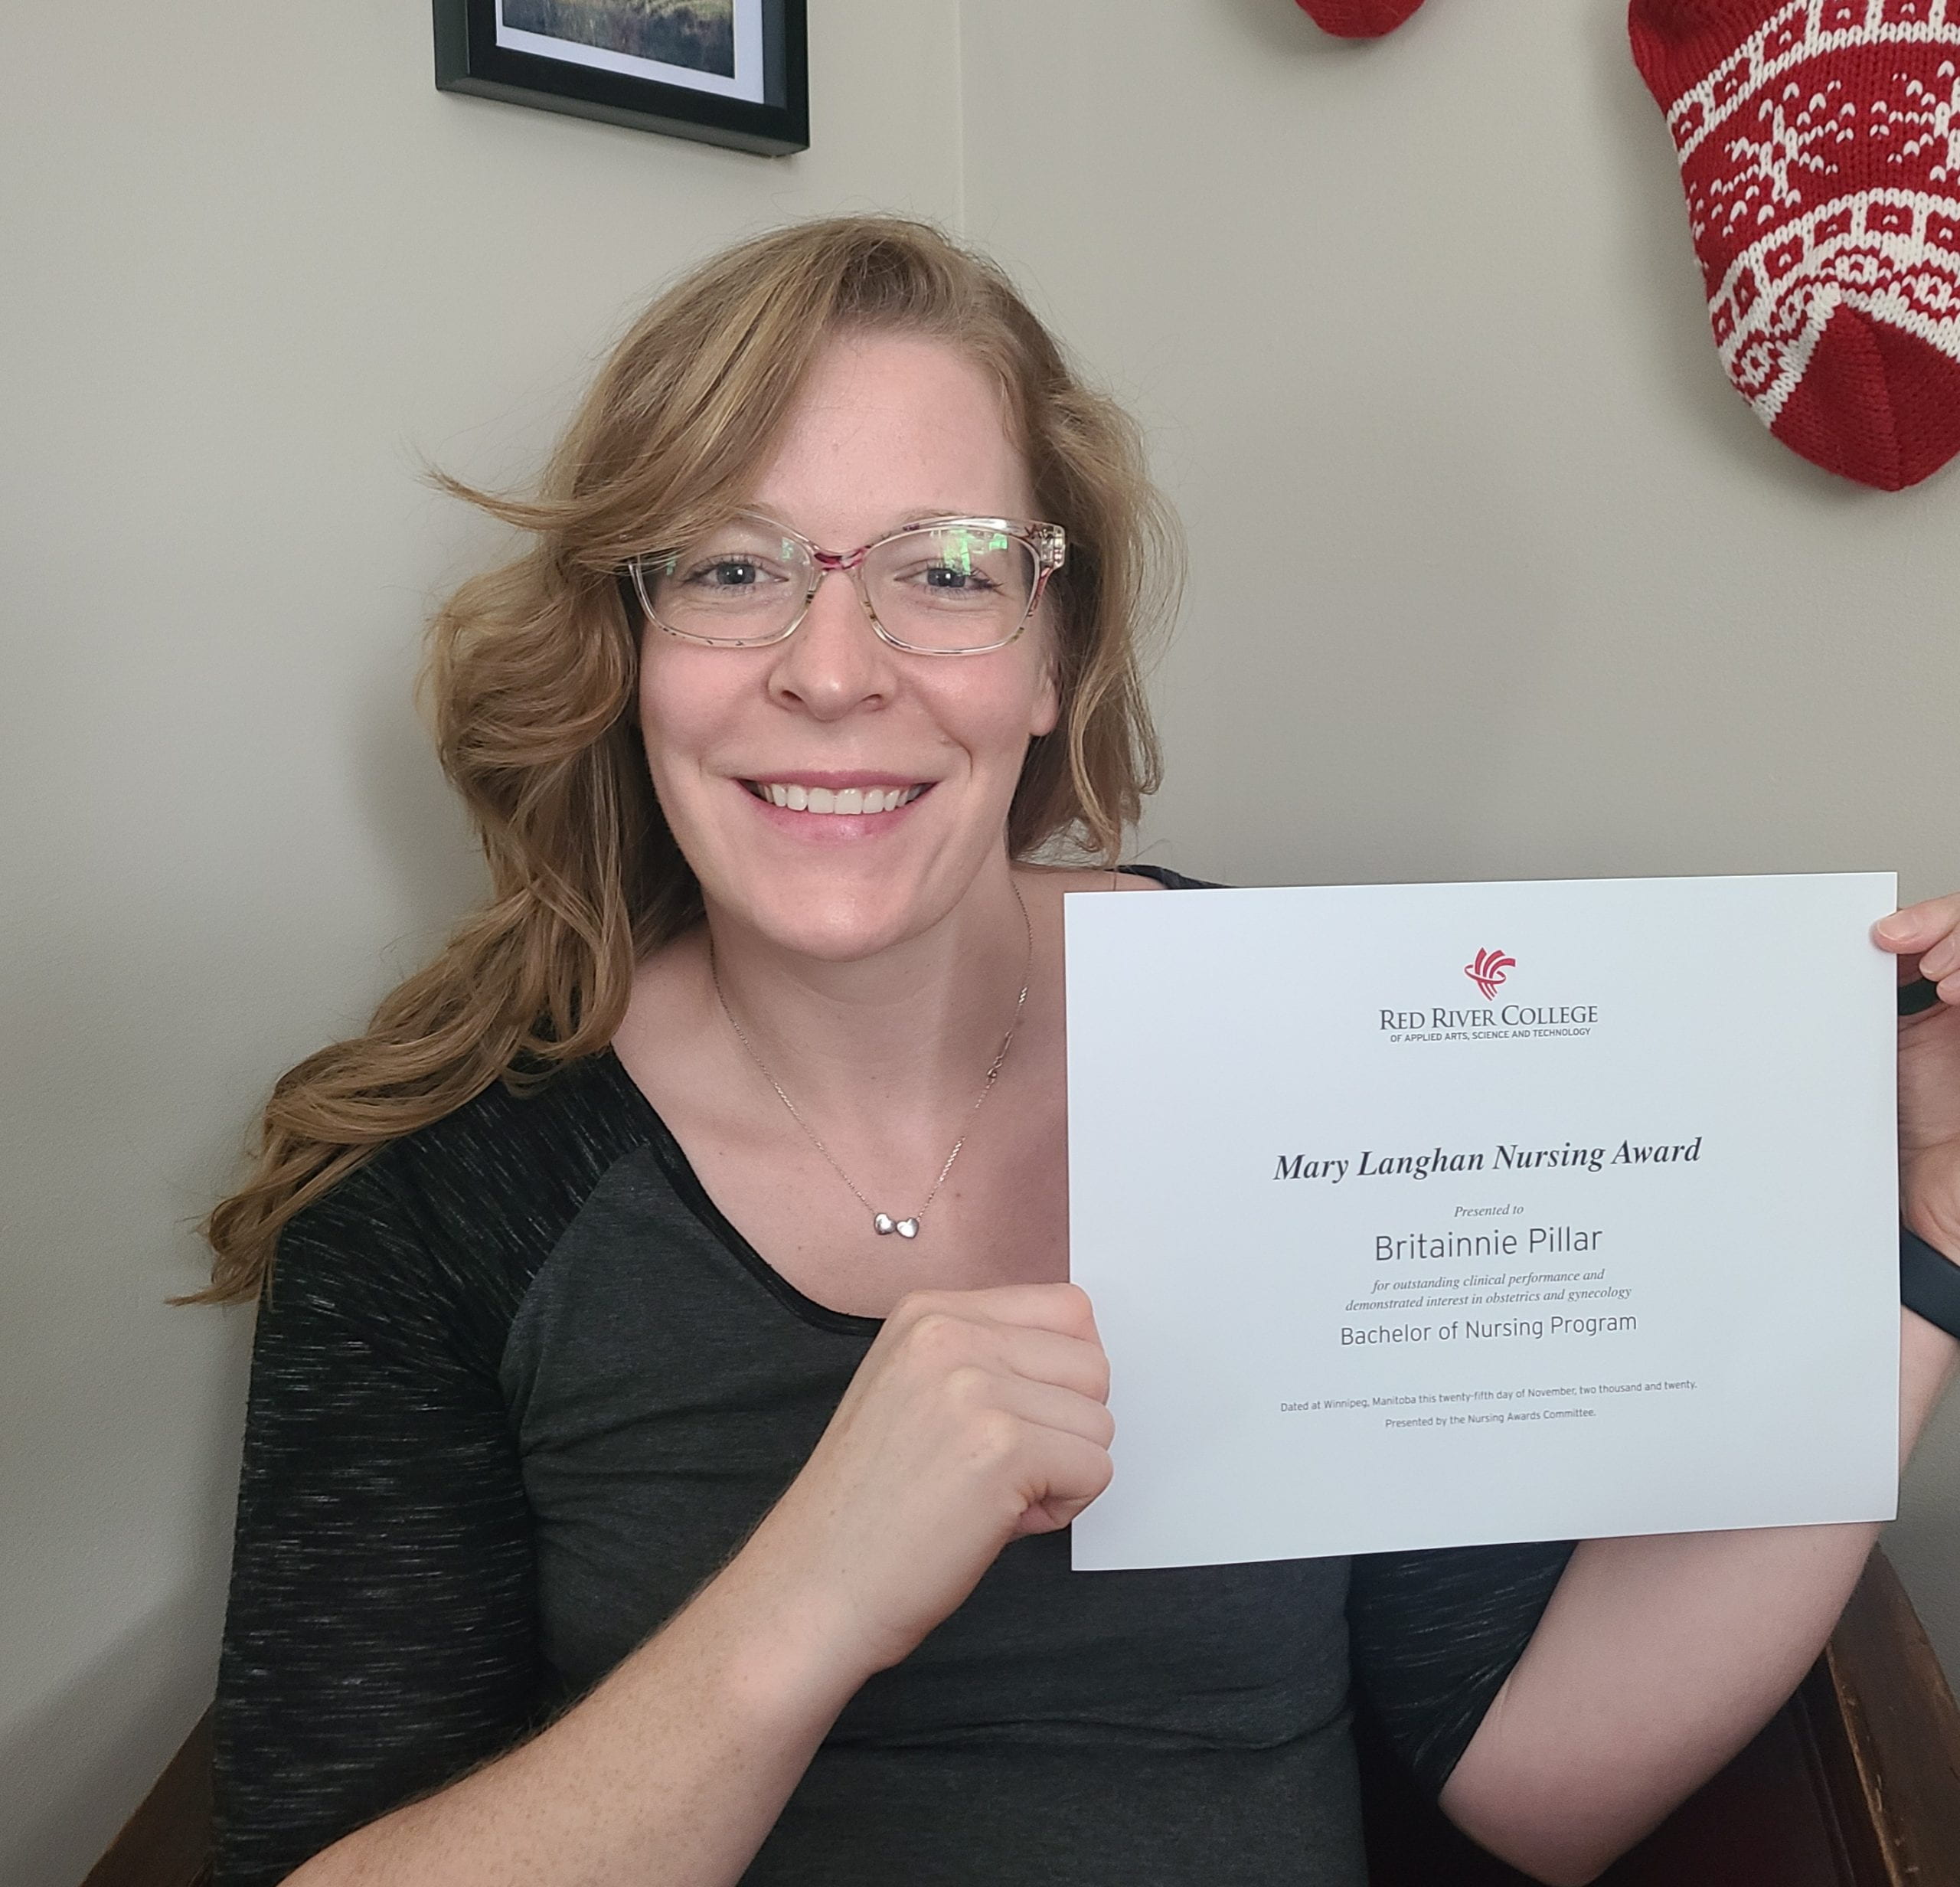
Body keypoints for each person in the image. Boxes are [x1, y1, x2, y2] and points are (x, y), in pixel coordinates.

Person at [201, 215, 1960, 1887]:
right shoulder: (433, 1194)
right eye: (733, 569)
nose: (833, 671)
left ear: (1053, 654)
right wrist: (810, 1590)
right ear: (628, 644)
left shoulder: (1301, 1033)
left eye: (944, 571)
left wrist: (1931, 1235)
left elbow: (1540, 1785)